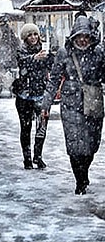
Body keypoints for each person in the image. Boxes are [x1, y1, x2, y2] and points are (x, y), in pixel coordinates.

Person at [41, 15, 105, 195]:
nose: (83, 40)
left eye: (86, 36)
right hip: (70, 104)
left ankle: (84, 171)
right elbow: (53, 80)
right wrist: (46, 104)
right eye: (79, 36)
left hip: (93, 102)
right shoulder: (64, 53)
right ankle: (80, 179)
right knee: (75, 145)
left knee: (92, 144)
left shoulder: (98, 52)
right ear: (73, 36)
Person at [14, 23, 54, 170]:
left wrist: (49, 57)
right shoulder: (21, 51)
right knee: (25, 128)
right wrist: (34, 58)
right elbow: (23, 63)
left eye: (35, 34)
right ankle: (27, 158)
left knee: (42, 127)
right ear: (25, 37)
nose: (33, 37)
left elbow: (52, 66)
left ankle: (38, 156)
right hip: (24, 96)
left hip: (41, 95)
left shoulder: (45, 50)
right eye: (30, 35)